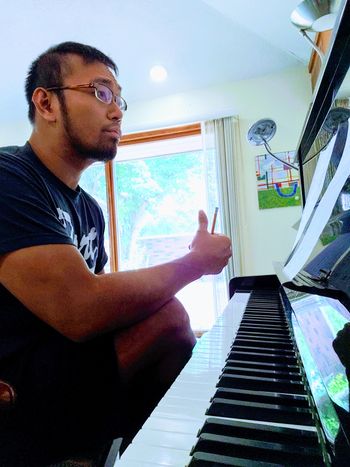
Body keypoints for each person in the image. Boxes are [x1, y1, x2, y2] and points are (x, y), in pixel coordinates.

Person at [0, 41, 232, 466]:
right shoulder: (9, 177)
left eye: (119, 98)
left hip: (67, 376)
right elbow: (80, 308)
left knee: (168, 320)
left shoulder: (88, 210)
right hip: (16, 394)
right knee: (171, 318)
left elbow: (107, 304)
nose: (117, 111)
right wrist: (192, 265)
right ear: (47, 103)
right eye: (101, 92)